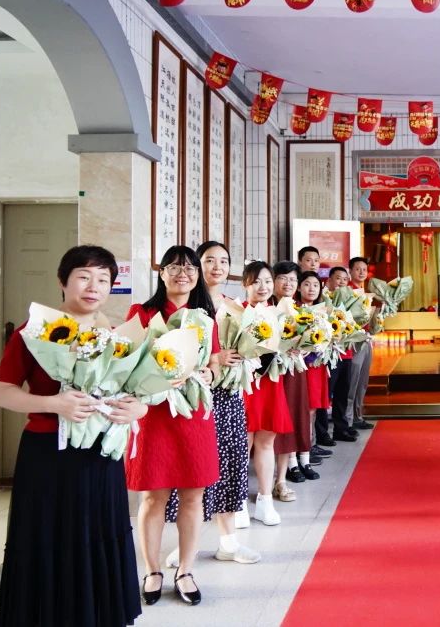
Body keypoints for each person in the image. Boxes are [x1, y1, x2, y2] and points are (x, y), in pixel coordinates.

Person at [0, 245, 145, 626]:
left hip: (100, 454)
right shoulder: (34, 332)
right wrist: (53, 403)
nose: (93, 287)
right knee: (50, 539)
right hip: (49, 455)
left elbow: (136, 393)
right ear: (62, 281)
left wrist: (136, 409)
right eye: (84, 277)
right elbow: (2, 392)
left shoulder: (116, 336)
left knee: (98, 536)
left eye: (103, 279)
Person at [126, 245, 221, 606]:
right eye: (175, 267)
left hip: (193, 414)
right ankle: (152, 570)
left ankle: (185, 570)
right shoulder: (142, 313)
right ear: (161, 273)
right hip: (154, 416)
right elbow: (127, 361)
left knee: (193, 494)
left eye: (190, 268)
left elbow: (215, 364)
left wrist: (206, 374)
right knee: (153, 494)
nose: (183, 274)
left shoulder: (204, 318)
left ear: (197, 276)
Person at [163, 241, 259, 570]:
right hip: (189, 397)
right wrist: (215, 357)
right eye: (209, 260)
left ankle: (228, 542)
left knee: (229, 461)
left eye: (224, 261)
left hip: (227, 395)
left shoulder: (236, 307)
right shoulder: (183, 306)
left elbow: (254, 348)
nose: (217, 267)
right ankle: (185, 545)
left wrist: (243, 355)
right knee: (189, 467)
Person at [241, 261, 293, 525]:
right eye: (256, 282)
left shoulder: (281, 314)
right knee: (243, 442)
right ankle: (238, 502)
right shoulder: (235, 313)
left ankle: (265, 501)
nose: (263, 287)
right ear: (245, 284)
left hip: (270, 384)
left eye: (267, 281)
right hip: (245, 384)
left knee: (266, 442)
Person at [272, 260, 315, 502]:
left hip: (294, 373)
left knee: (290, 419)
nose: (288, 283)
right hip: (269, 374)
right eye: (282, 278)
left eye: (292, 280)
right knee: (267, 427)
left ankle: (281, 480)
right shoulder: (265, 307)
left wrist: (305, 348)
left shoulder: (301, 312)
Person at [298, 271, 333, 466]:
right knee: (302, 409)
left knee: (312, 408)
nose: (311, 289)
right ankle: (301, 448)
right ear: (299, 287)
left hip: (317, 366)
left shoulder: (323, 311)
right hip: (301, 366)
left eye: (315, 285)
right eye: (307, 284)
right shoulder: (294, 311)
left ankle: (310, 445)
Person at [326, 266, 358, 442]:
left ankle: (341, 428)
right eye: (338, 278)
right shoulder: (324, 301)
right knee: (326, 394)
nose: (342, 282)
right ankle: (322, 433)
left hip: (346, 353)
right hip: (329, 355)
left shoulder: (351, 302)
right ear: (329, 281)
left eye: (345, 279)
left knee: (342, 393)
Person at [346, 257, 375, 431]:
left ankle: (358, 416)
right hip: (353, 342)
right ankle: (348, 419)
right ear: (350, 271)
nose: (362, 272)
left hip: (366, 339)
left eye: (364, 269)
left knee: (363, 381)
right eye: (358, 269)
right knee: (353, 380)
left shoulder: (365, 292)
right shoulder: (347, 291)